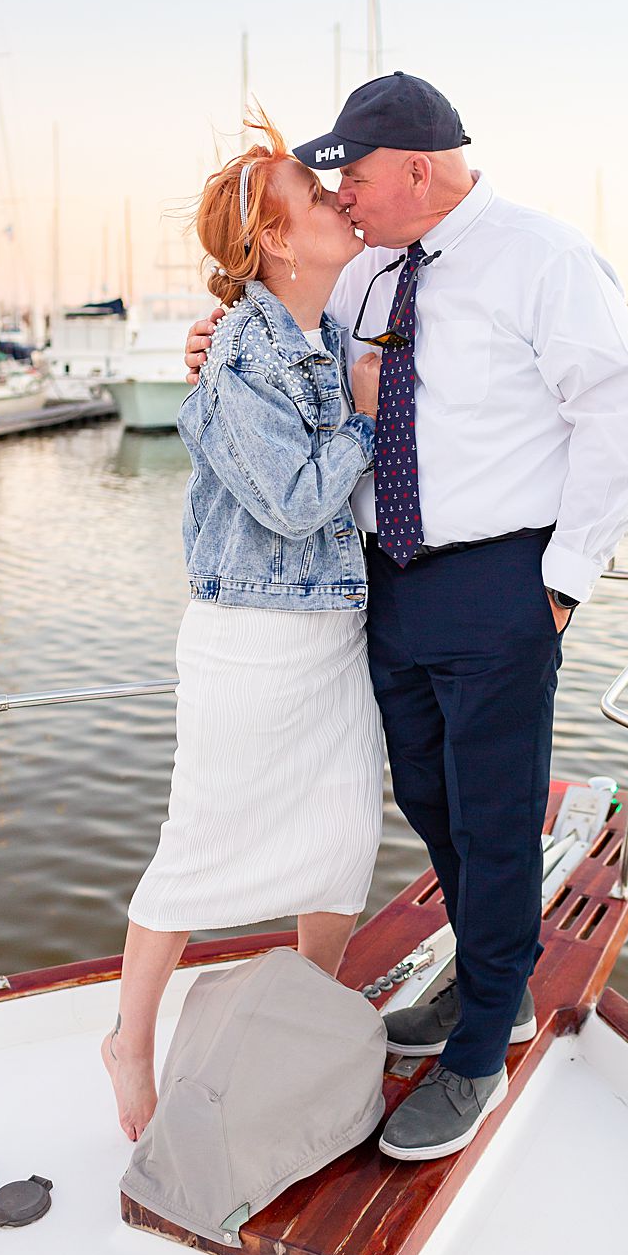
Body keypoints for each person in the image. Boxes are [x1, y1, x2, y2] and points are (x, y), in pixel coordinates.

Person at [183, 73, 628, 1161]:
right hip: (384, 579)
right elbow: (292, 342)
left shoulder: (540, 258)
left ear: (414, 168)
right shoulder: (361, 272)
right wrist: (213, 344)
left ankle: (481, 1047)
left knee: (492, 817)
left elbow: (620, 407)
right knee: (428, 799)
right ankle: (493, 989)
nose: (340, 196)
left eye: (350, 174)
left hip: (497, 581)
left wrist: (561, 581)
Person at [102, 113, 387, 1143]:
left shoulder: (324, 322)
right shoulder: (241, 351)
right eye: (313, 198)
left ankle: (300, 1020)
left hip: (327, 637)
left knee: (341, 836)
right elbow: (297, 499)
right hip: (253, 641)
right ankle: (127, 1041)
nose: (334, 200)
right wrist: (361, 416)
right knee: (200, 843)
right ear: (273, 236)